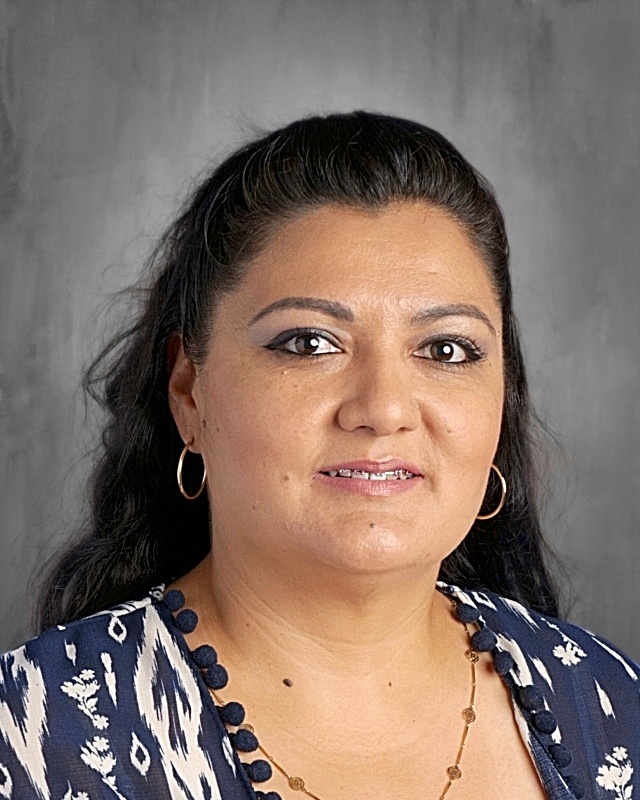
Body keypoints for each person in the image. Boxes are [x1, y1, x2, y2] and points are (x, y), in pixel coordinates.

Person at [0, 111, 637, 800]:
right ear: (188, 393)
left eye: (446, 349)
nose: (385, 408)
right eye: (308, 343)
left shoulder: (609, 709)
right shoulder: (31, 737)